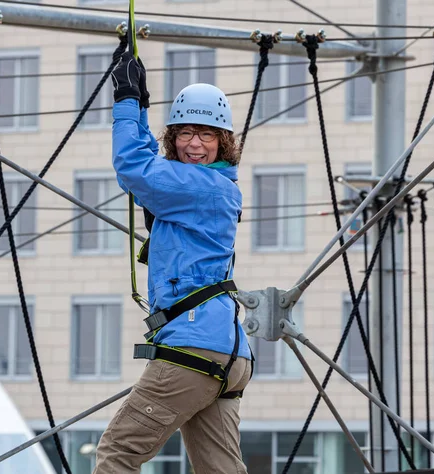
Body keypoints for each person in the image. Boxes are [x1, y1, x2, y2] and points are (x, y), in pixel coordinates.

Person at [92, 51, 252, 474]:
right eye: (185, 134)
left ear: (223, 142)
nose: (195, 144)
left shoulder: (199, 186)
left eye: (206, 135)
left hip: (193, 344)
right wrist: (141, 105)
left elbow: (134, 168)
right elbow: (152, 167)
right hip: (228, 355)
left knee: (117, 452)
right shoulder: (213, 186)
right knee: (220, 469)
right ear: (174, 137)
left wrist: (127, 99)